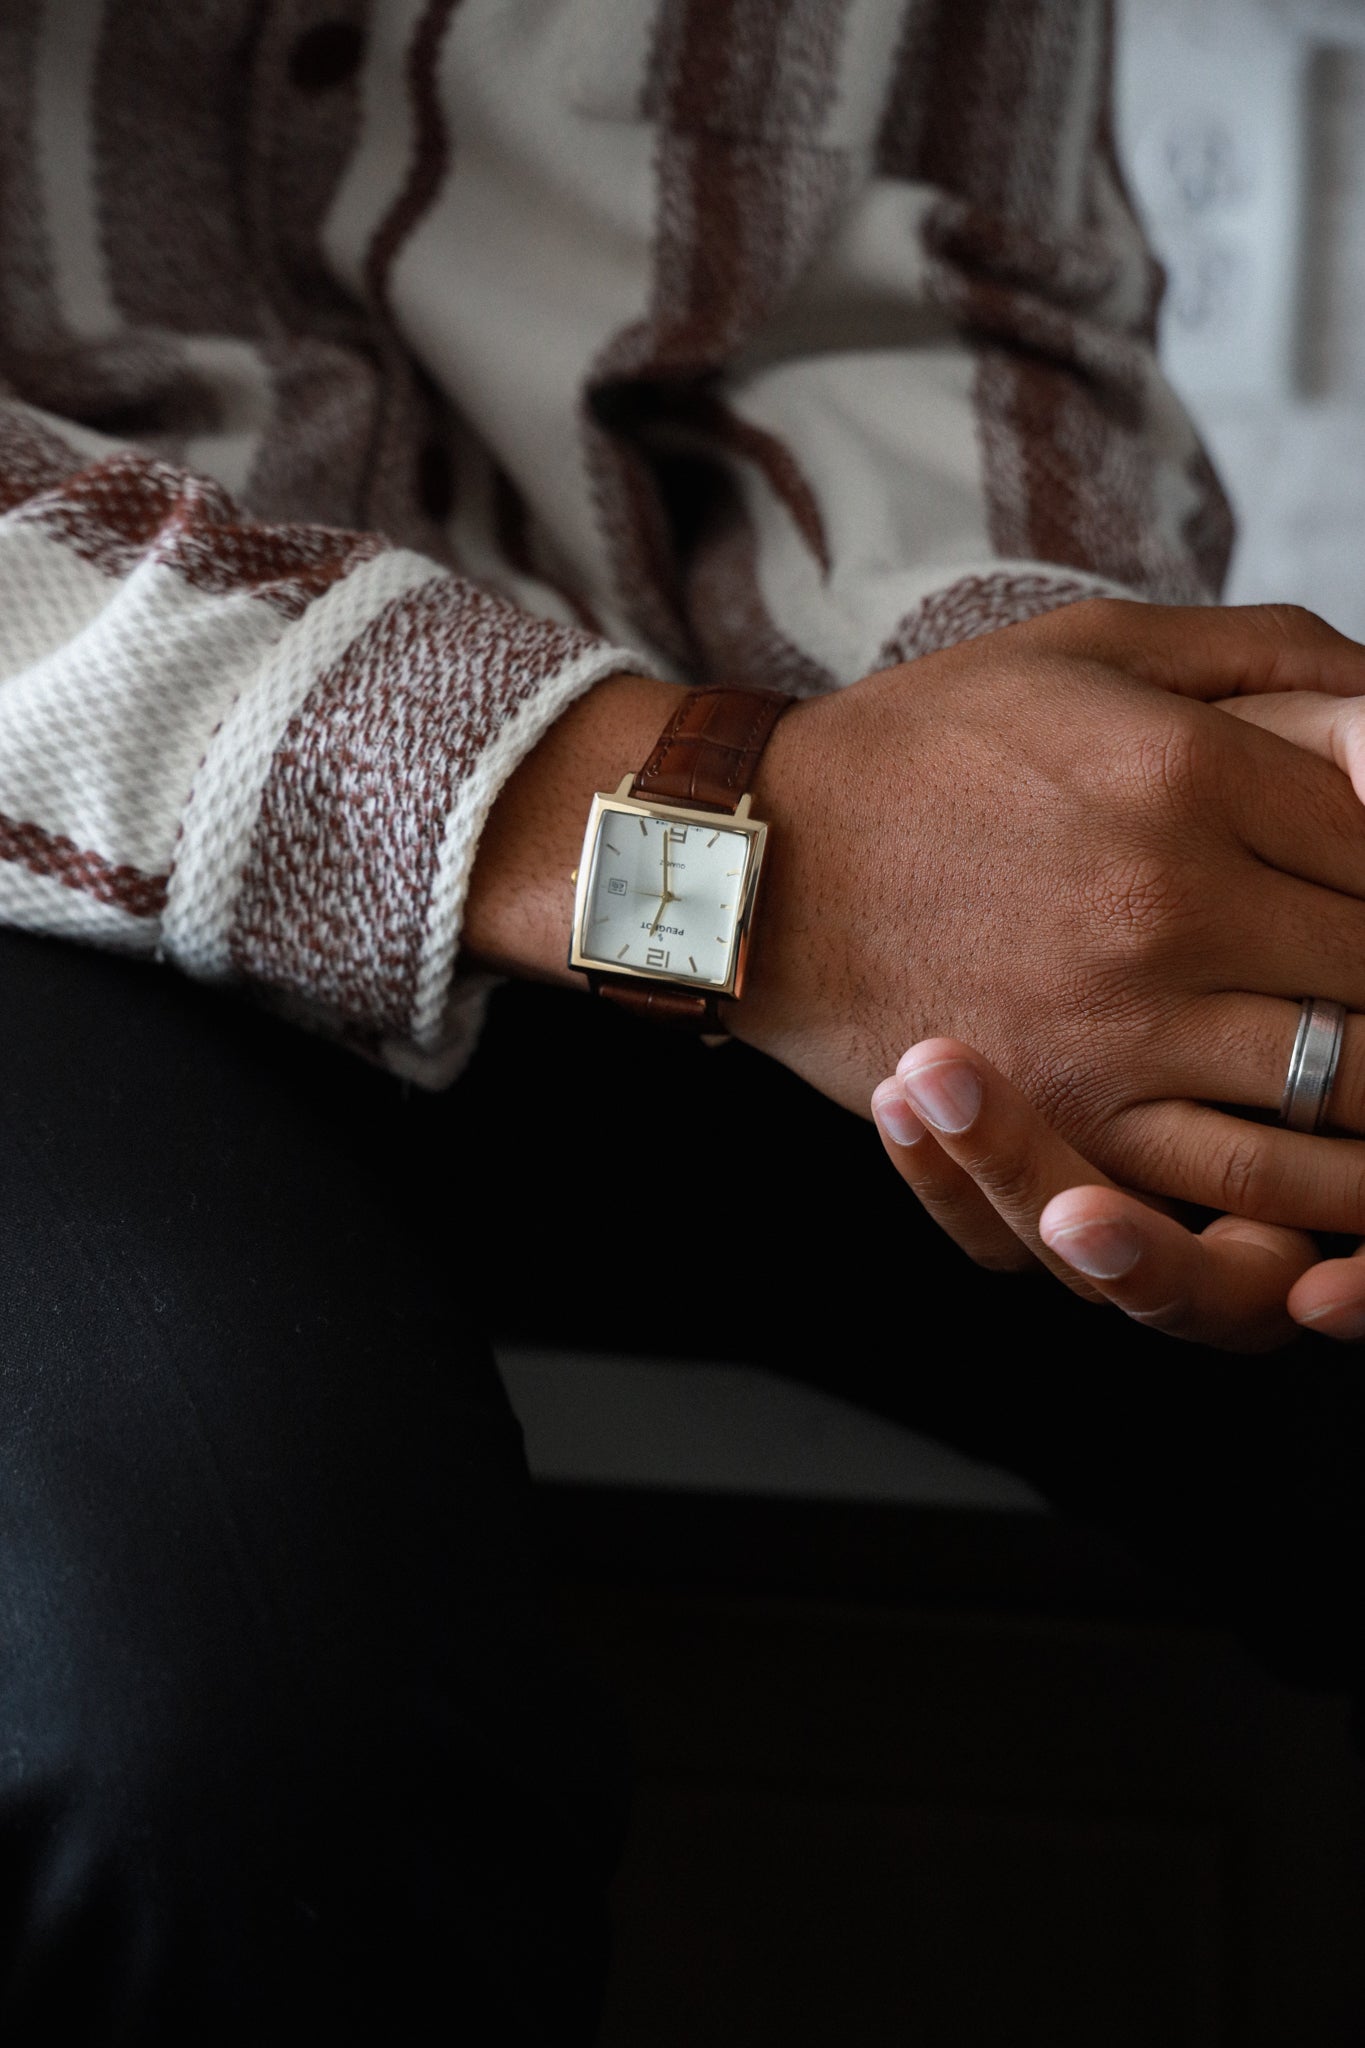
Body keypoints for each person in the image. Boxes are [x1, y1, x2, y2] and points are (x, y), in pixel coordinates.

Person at [2, 1, 1364, 2038]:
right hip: (50, 859)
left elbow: (924, 262)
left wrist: (1077, 810)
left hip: (724, 754)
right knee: (232, 1726)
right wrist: (741, 840)